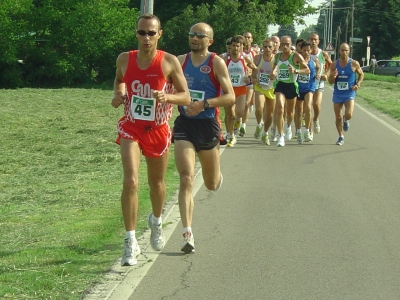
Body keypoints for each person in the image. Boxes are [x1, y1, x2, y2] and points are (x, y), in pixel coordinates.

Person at [112, 14, 190, 266]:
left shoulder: (168, 61)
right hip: (131, 127)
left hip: (157, 129)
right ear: (136, 33)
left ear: (160, 34)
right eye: (142, 33)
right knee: (131, 180)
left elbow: (186, 96)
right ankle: (130, 242)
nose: (146, 38)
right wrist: (119, 94)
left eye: (151, 33)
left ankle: (156, 221)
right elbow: (119, 80)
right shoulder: (125, 58)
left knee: (156, 184)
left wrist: (169, 98)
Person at [175, 23, 235, 253]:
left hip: (208, 125)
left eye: (200, 35)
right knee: (186, 178)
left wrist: (204, 104)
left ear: (210, 40)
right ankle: (187, 233)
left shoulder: (216, 62)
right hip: (185, 125)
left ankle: (217, 174)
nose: (194, 38)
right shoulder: (180, 61)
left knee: (210, 184)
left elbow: (229, 97)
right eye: (191, 34)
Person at [270, 36, 310, 147]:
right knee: (280, 109)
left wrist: (296, 70)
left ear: (290, 44)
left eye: (287, 44)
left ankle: (288, 127)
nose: (285, 46)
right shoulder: (277, 56)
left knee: (290, 112)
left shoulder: (296, 56)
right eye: (283, 44)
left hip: (292, 85)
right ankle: (280, 136)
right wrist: (273, 73)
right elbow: (275, 68)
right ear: (280, 45)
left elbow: (307, 70)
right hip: (280, 85)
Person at [223, 35, 257, 147]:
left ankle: (238, 122)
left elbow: (254, 68)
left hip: (241, 88)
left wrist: (250, 76)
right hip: (228, 90)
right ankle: (230, 136)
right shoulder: (224, 58)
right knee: (230, 114)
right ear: (230, 46)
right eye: (233, 46)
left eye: (238, 46)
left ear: (241, 47)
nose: (235, 48)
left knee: (240, 112)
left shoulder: (245, 58)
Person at [328, 43, 364, 146]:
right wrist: (333, 77)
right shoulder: (334, 64)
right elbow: (330, 82)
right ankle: (340, 136)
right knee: (337, 117)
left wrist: (358, 84)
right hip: (338, 93)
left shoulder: (354, 63)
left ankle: (346, 120)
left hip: (349, 93)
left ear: (349, 51)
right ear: (339, 51)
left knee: (349, 115)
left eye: (346, 50)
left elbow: (361, 74)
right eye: (342, 50)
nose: (344, 52)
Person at [295, 41, 320, 144]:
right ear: (301, 50)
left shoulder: (314, 60)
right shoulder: (297, 60)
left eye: (308, 50)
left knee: (308, 107)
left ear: (311, 51)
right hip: (298, 87)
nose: (306, 52)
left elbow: (318, 68)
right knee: (299, 111)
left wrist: (318, 74)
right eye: (304, 50)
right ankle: (298, 131)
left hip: (310, 87)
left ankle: (308, 131)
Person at [251, 39, 276, 145]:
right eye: (265, 47)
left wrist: (274, 74)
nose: (267, 49)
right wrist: (253, 78)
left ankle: (265, 133)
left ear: (273, 48)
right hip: (260, 87)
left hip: (272, 88)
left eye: (270, 47)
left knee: (270, 114)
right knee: (259, 108)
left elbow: (278, 71)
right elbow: (253, 71)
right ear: (262, 47)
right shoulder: (257, 58)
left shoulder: (276, 59)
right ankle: (259, 124)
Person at [309, 33, 332, 135]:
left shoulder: (322, 54)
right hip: (307, 84)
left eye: (315, 39)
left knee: (317, 105)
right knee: (308, 107)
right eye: (311, 39)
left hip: (319, 84)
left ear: (318, 41)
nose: (313, 41)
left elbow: (331, 65)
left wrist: (326, 74)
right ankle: (309, 131)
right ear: (309, 40)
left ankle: (316, 119)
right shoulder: (305, 53)